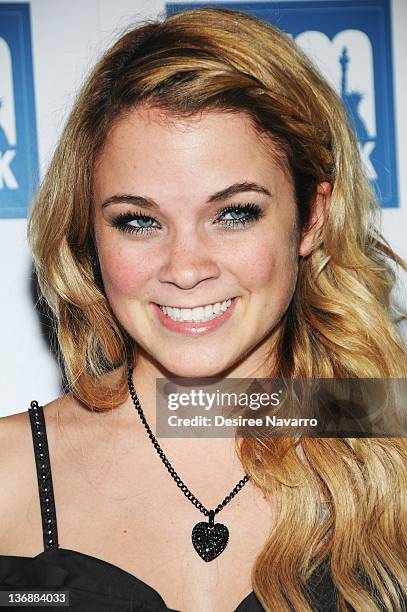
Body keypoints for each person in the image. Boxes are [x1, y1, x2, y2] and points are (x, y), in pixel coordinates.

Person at [1, 6, 406, 611]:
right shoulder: (9, 472)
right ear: (89, 234)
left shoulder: (390, 447)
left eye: (234, 213)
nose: (186, 268)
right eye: (138, 221)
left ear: (311, 218)